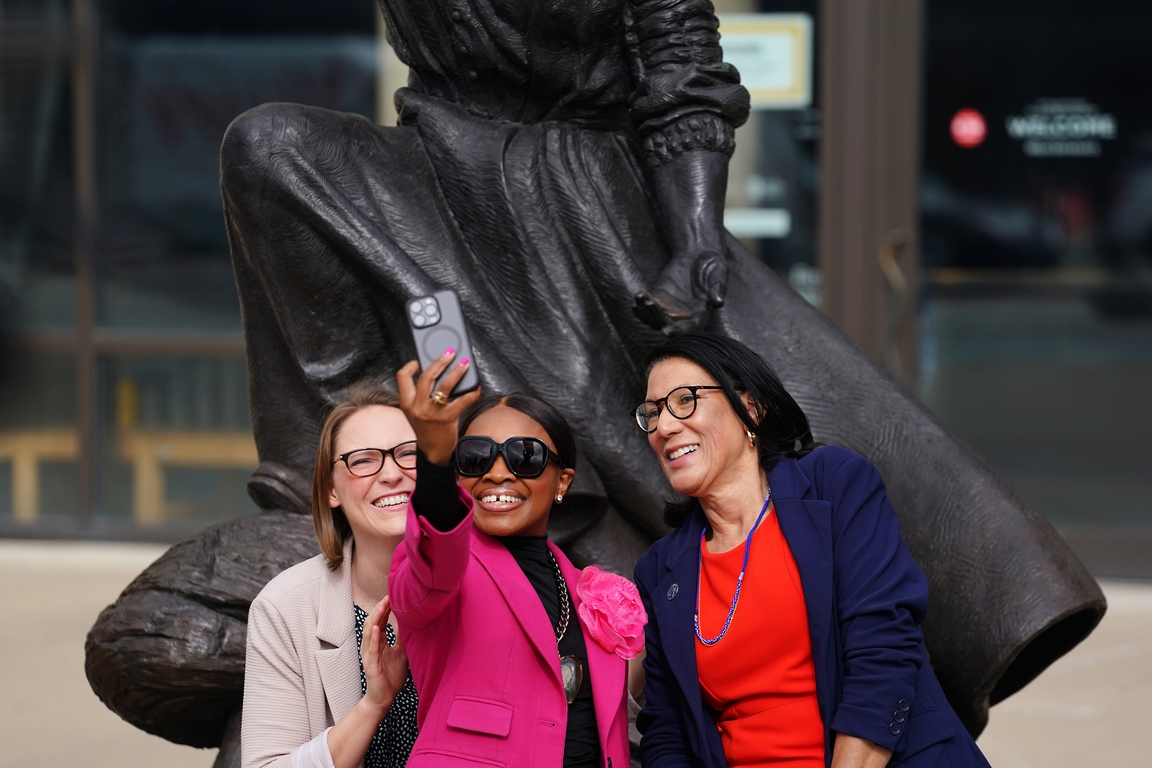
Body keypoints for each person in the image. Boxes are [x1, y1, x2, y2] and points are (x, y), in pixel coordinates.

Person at [632, 333, 991, 768]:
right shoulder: (660, 569)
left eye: (685, 400)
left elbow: (883, 652)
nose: (665, 426)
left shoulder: (835, 484)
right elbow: (668, 732)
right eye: (652, 413)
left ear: (750, 407)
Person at [389, 351, 640, 768]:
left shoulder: (587, 590)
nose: (498, 473)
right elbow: (435, 548)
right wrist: (434, 458)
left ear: (562, 481)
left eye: (525, 457)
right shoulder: (444, 567)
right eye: (474, 457)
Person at [242, 385, 420, 768]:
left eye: (409, 454)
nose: (392, 473)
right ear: (330, 491)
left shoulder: (488, 588)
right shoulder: (285, 607)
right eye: (364, 460)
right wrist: (373, 704)